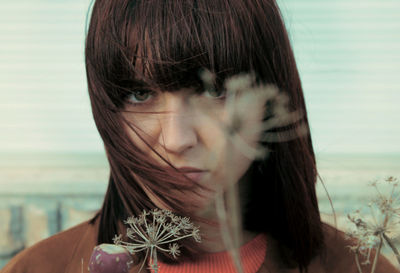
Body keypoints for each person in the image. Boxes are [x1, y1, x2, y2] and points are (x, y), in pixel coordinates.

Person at [2, 0, 399, 273]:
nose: (176, 139)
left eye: (213, 92)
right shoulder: (41, 268)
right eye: (140, 94)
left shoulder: (358, 268)